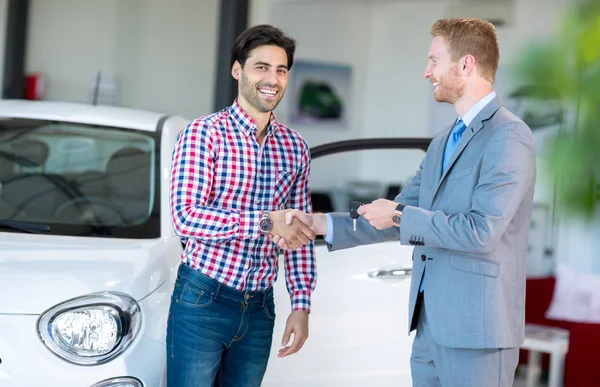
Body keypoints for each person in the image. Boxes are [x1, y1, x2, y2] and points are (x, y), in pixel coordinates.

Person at [274, 18, 536, 387]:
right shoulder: (444, 140)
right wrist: (318, 223)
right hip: (428, 327)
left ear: (466, 64)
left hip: (477, 335)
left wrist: (398, 214)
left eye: (434, 60)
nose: (426, 71)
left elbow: (481, 231)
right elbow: (394, 212)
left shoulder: (509, 136)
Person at [167, 24, 317, 387]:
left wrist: (301, 304)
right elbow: (185, 218)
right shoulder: (204, 133)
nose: (273, 79)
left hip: (261, 308)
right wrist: (266, 222)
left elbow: (299, 230)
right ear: (238, 70)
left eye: (281, 70)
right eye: (261, 67)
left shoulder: (295, 147)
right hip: (203, 297)